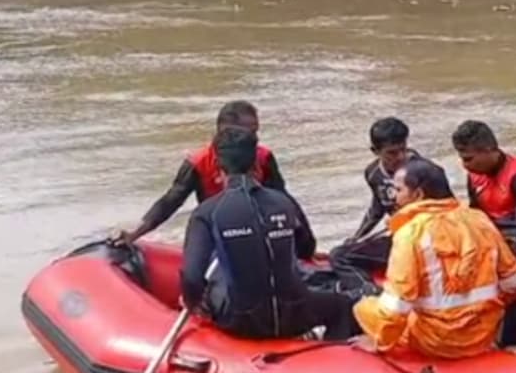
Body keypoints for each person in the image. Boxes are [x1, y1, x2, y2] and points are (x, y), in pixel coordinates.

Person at [181, 126, 357, 341]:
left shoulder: (207, 212)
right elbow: (306, 248)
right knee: (341, 305)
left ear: (217, 165)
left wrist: (195, 305)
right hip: (295, 313)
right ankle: (328, 360)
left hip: (241, 321)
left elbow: (191, 277)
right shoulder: (283, 202)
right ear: (256, 163)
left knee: (217, 279)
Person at [352, 160, 516, 359]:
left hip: (436, 341)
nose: (395, 198)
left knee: (363, 307)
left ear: (417, 195)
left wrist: (379, 342)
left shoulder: (411, 233)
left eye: (399, 190)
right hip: (484, 334)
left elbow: (397, 306)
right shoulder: (479, 220)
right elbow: (514, 283)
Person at [113, 100, 286, 245]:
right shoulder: (198, 163)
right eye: (250, 133)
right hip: (214, 227)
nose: (255, 138)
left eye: (256, 132)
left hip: (255, 227)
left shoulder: (263, 157)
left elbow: (282, 201)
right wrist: (135, 234)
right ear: (223, 133)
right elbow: (171, 201)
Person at [453, 119, 516, 267]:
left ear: (489, 149)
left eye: (468, 159)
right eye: (462, 159)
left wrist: (500, 260)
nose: (465, 165)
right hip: (490, 239)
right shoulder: (474, 175)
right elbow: (475, 216)